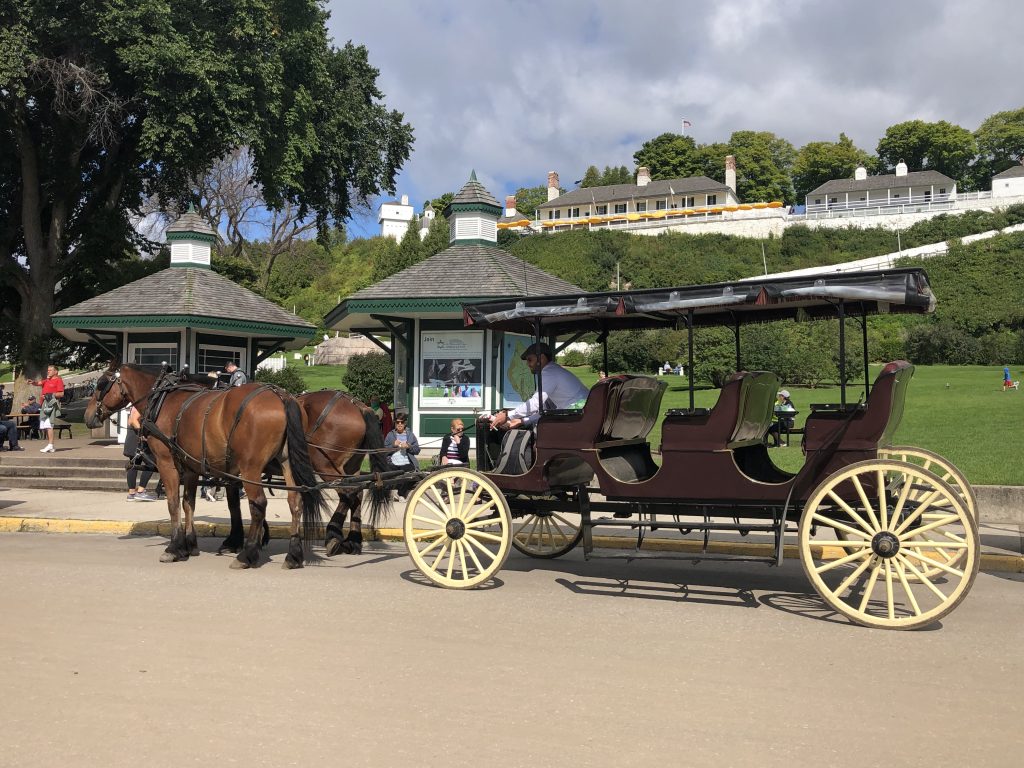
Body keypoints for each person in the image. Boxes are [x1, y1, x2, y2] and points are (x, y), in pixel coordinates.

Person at [489, 342, 589, 430]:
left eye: (529, 360)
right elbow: (545, 411)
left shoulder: (549, 373)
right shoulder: (552, 371)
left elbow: (535, 404)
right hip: (581, 414)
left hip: (579, 416)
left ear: (541, 358)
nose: (528, 364)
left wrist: (507, 415)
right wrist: (522, 421)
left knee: (542, 438)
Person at [27, 364, 64, 453]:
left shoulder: (58, 380)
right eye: (48, 370)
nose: (48, 371)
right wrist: (32, 382)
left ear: (56, 371)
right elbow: (38, 383)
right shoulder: (47, 380)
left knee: (49, 424)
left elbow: (61, 394)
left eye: (50, 370)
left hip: (51, 404)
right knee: (44, 424)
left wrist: (50, 395)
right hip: (44, 404)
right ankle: (50, 446)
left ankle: (50, 444)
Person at [123, 406, 157, 501]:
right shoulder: (141, 406)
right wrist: (141, 433)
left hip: (131, 436)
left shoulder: (134, 406)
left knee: (134, 465)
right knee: (152, 464)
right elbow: (134, 420)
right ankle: (140, 492)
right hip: (137, 438)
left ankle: (131, 493)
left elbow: (130, 420)